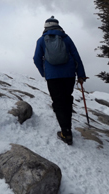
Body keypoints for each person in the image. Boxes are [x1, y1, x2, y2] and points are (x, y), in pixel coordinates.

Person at [33, 16, 87, 145]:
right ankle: (68, 127)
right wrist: (81, 75)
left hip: (53, 76)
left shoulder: (41, 40)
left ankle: (65, 132)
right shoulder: (66, 38)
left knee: (58, 102)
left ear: (45, 27)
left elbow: (36, 58)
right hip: (69, 74)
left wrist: (45, 73)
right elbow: (76, 56)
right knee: (67, 99)